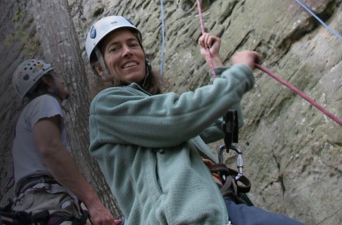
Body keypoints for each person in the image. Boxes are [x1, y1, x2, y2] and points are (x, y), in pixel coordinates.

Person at [84, 15, 306, 225]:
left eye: (133, 44)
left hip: (217, 208)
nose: (127, 52)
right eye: (115, 49)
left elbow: (225, 122)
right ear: (100, 69)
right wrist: (239, 73)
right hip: (187, 217)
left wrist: (216, 63)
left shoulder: (153, 111)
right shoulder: (107, 106)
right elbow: (176, 119)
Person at [11, 59, 121, 225]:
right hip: (47, 199)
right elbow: (50, 149)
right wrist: (94, 204)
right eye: (55, 75)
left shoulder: (27, 118)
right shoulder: (44, 102)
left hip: (39, 201)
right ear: (47, 81)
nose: (62, 80)